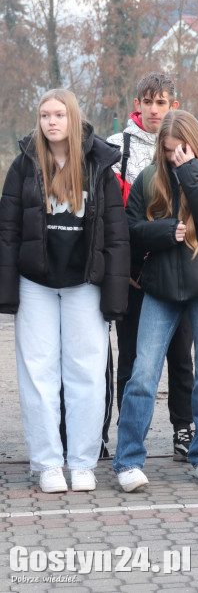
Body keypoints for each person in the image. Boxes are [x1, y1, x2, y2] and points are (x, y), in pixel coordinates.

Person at [0, 89, 129, 493]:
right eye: (44, 115)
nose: (51, 122)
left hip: (83, 285)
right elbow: (8, 232)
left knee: (86, 374)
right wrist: (7, 291)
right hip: (36, 283)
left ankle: (83, 462)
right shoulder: (23, 165)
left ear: (72, 119)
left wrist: (114, 295)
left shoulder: (99, 165)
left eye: (58, 115)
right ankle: (48, 462)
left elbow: (116, 236)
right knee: (37, 374)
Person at [113, 110, 198, 491]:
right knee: (143, 375)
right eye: (167, 151)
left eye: (179, 149)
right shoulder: (149, 178)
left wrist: (190, 174)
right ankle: (128, 460)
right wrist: (166, 231)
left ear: (193, 142)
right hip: (161, 290)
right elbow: (129, 228)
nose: (172, 157)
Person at [108, 73, 196, 461]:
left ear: (173, 106)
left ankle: (183, 431)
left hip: (178, 273)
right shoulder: (116, 149)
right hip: (132, 276)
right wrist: (123, 267)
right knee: (131, 360)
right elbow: (113, 219)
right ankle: (128, 433)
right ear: (138, 105)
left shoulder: (187, 145)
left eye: (162, 102)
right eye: (149, 102)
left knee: (181, 358)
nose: (155, 109)